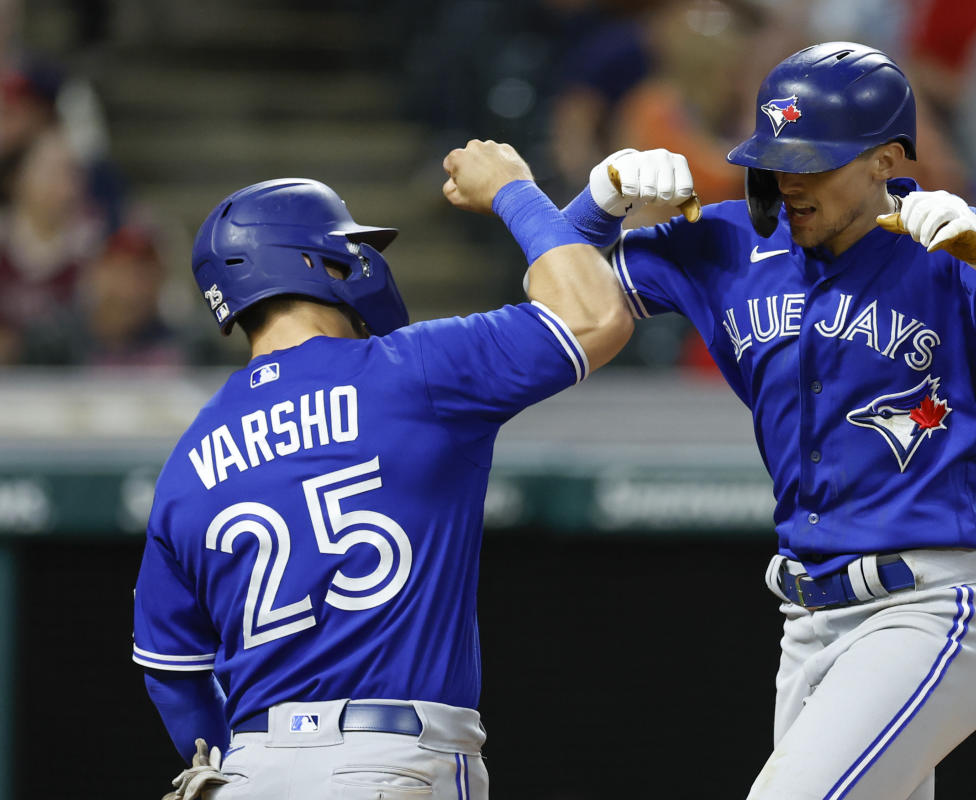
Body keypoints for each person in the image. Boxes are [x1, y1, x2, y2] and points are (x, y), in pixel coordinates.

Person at [559, 42, 976, 799]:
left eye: (812, 162)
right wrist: (596, 204)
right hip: (805, 620)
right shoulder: (726, 242)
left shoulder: (945, 242)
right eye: (776, 159)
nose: (788, 181)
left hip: (923, 609)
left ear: (886, 159)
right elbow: (556, 302)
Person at [132, 139, 688, 800]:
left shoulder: (188, 460)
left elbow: (172, 671)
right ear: (317, 262)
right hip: (387, 762)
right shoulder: (413, 371)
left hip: (248, 773)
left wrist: (593, 213)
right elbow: (592, 314)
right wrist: (514, 187)